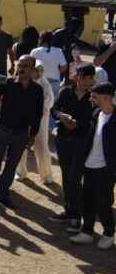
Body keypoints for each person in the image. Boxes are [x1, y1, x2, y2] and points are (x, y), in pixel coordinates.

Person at [0, 56, 44, 209]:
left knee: (11, 166)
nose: (22, 68)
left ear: (33, 69)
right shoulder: (8, 82)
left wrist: (33, 134)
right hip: (2, 130)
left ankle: (3, 194)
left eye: (25, 66)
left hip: (21, 134)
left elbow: (37, 113)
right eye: (20, 65)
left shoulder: (37, 90)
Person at [68, 81, 116, 250]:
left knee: (103, 202)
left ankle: (108, 233)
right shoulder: (96, 114)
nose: (91, 99)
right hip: (90, 165)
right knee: (87, 201)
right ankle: (87, 232)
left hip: (107, 169)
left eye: (94, 96)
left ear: (106, 98)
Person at [50, 64, 95, 232]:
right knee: (66, 175)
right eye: (84, 77)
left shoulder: (93, 96)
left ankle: (76, 215)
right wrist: (61, 116)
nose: (87, 82)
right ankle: (69, 209)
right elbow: (54, 109)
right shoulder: (66, 92)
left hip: (81, 142)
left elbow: (94, 121)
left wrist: (78, 124)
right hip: (63, 139)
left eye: (90, 78)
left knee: (74, 179)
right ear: (77, 76)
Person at [16, 62, 55, 184]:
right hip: (22, 121)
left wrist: (36, 110)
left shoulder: (45, 85)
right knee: (21, 146)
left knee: (42, 148)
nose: (38, 73)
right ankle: (20, 172)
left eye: (41, 70)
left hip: (41, 121)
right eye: (36, 70)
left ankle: (46, 175)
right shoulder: (22, 82)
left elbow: (48, 101)